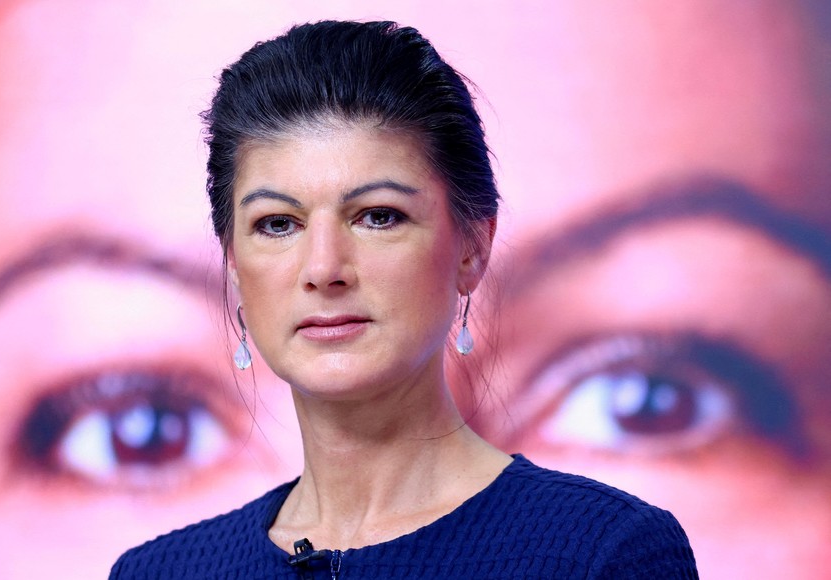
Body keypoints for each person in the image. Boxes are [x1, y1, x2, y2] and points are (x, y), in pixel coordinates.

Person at [109, 20, 697, 579]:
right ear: (234, 265)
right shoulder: (158, 574)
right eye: (277, 224)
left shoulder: (602, 552)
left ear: (472, 248)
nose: (324, 269)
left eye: (378, 216)